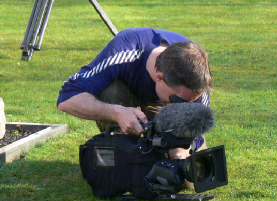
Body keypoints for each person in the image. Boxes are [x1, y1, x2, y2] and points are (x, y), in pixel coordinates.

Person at [57, 27, 212, 160]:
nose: (183, 106)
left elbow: (197, 128)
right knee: (111, 92)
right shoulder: (125, 49)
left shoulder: (196, 75)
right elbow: (67, 97)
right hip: (125, 101)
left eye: (189, 103)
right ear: (160, 77)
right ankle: (126, 153)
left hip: (161, 112)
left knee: (188, 177)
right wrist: (116, 112)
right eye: (178, 100)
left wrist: (181, 150)